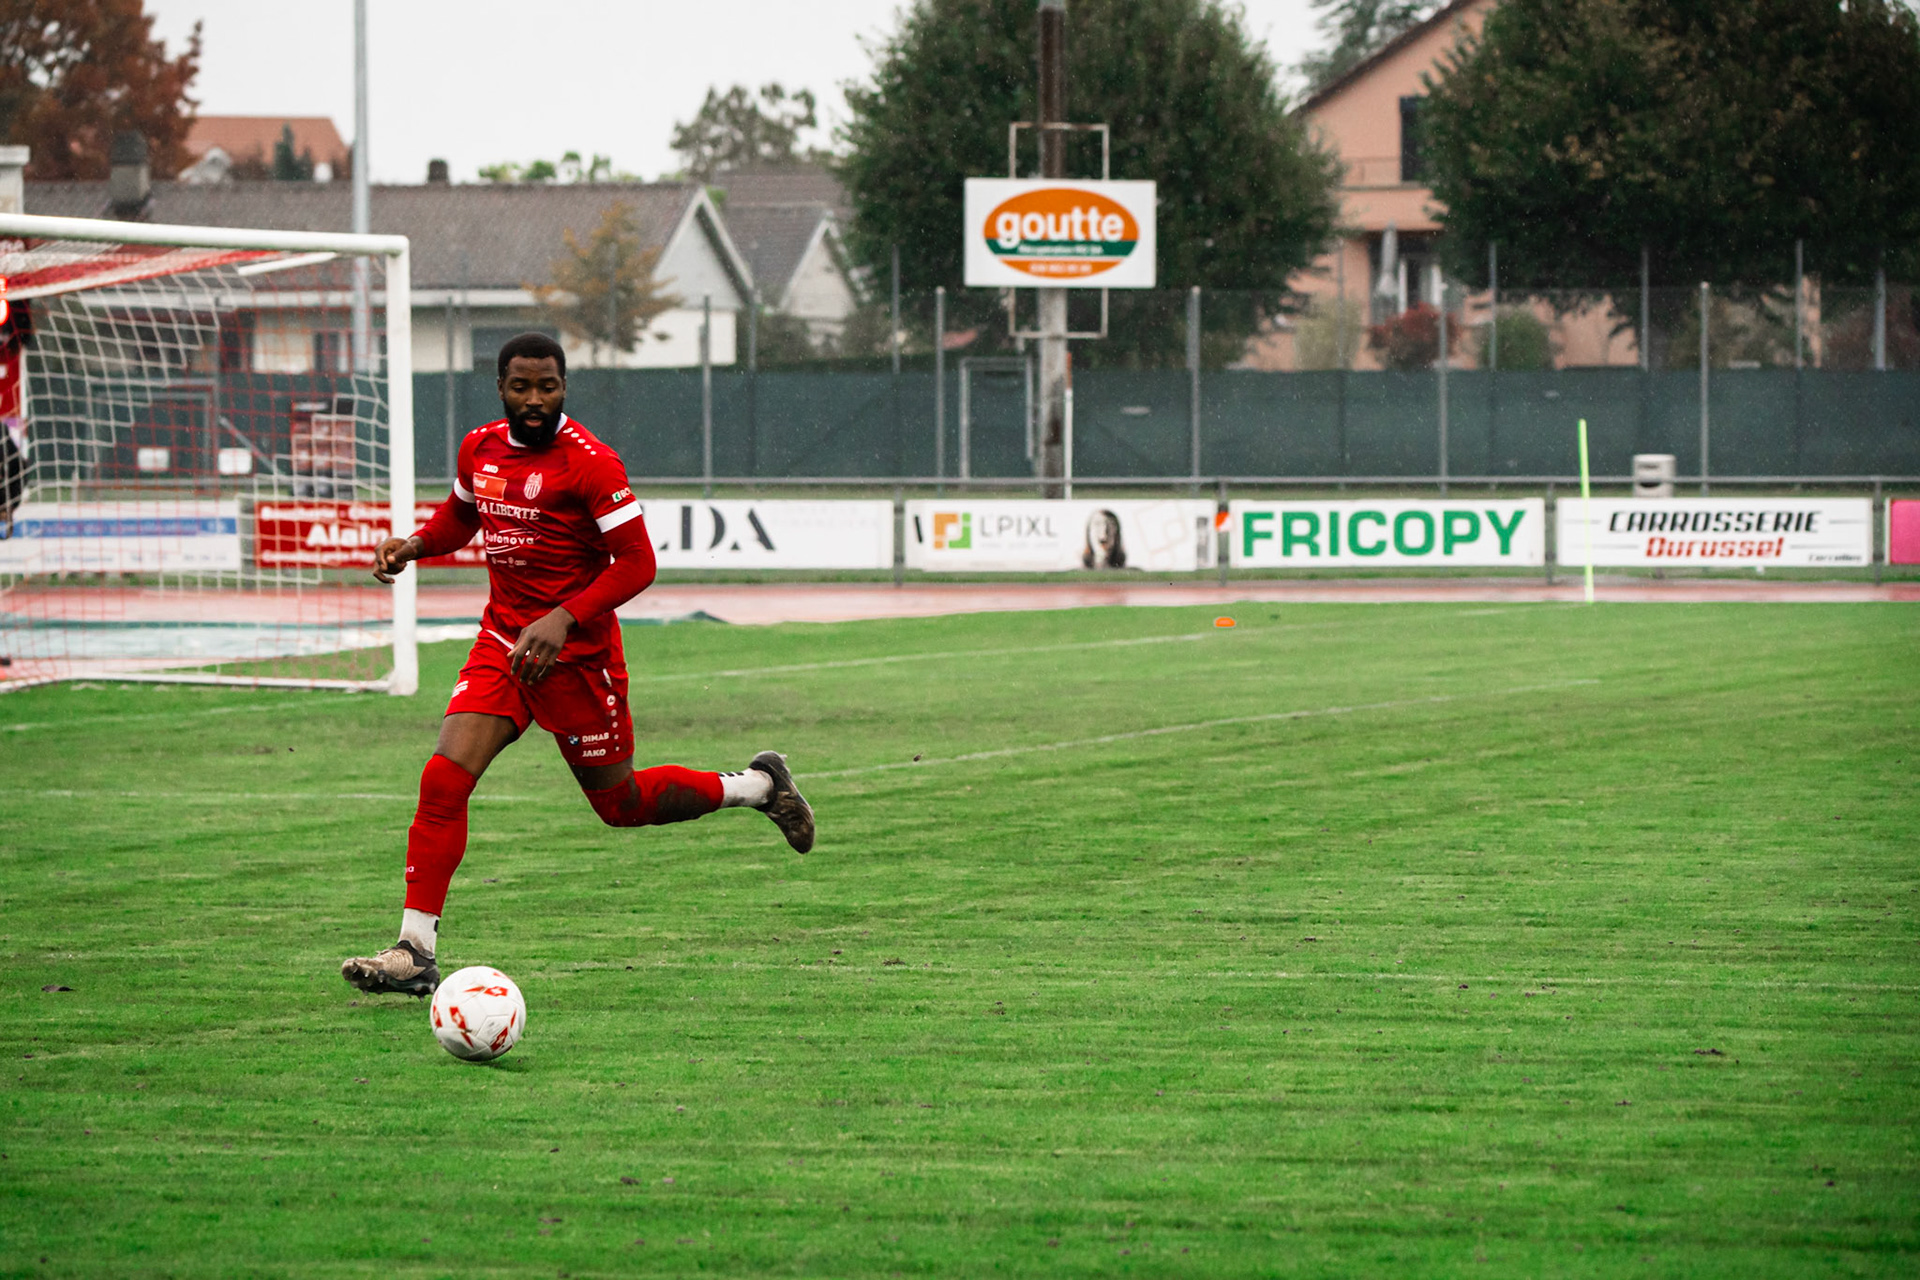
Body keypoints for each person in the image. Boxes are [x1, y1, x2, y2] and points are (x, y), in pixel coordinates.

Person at [341, 333, 813, 997]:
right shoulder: (479, 446)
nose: (534, 401)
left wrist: (563, 619)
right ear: (500, 386)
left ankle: (761, 787)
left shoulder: (592, 464)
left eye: (547, 388)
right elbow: (461, 517)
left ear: (564, 387)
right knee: (443, 778)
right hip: (503, 645)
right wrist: (415, 545)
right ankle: (414, 950)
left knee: (621, 805)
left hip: (579, 662)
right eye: (521, 387)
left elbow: (639, 563)